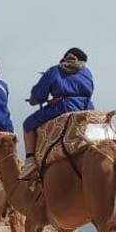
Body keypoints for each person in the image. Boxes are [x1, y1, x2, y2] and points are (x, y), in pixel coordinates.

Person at [21, 48, 94, 179]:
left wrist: (33, 100)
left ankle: (30, 160)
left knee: (28, 124)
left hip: (63, 107)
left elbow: (39, 95)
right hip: (87, 108)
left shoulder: (55, 71)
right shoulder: (86, 72)